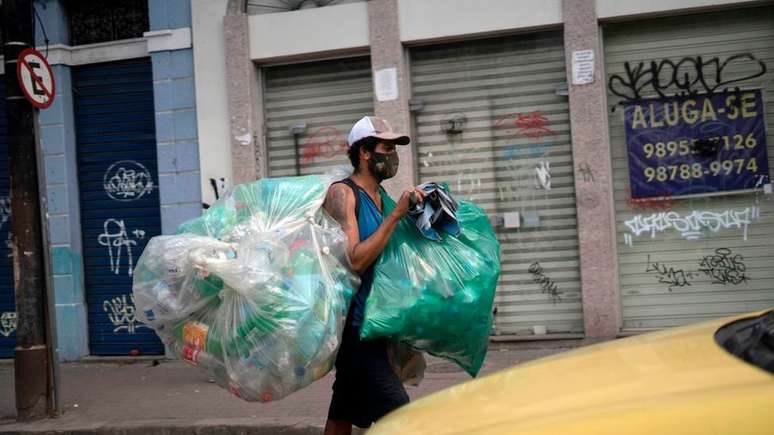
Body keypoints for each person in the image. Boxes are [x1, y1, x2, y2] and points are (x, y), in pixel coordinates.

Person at [323, 116, 425, 434]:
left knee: (343, 411)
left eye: (394, 148)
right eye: (386, 148)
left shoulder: (382, 199)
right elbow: (354, 260)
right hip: (357, 329)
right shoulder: (343, 194)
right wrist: (396, 215)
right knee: (401, 417)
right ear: (364, 152)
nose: (392, 155)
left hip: (379, 324)